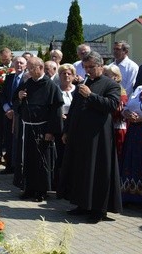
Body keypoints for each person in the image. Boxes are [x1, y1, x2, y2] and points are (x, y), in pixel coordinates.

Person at [60, 51, 122, 223]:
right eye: (85, 67)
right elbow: (74, 108)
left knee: (98, 171)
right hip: (80, 135)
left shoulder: (111, 84)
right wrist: (67, 130)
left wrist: (91, 96)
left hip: (99, 136)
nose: (88, 71)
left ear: (101, 66)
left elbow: (111, 105)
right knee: (82, 169)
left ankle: (98, 210)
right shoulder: (85, 82)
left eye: (91, 67)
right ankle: (82, 204)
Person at [14, 57, 63, 202]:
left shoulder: (51, 86)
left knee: (41, 161)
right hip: (27, 128)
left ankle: (41, 191)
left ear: (40, 68)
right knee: (27, 159)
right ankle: (28, 188)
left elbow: (56, 111)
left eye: (30, 68)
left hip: (43, 128)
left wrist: (51, 131)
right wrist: (19, 97)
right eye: (28, 68)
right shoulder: (27, 83)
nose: (28, 71)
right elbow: (16, 103)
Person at [121, 67, 142, 206]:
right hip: (135, 132)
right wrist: (128, 114)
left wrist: (141, 119)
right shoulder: (139, 89)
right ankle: (131, 195)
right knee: (133, 160)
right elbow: (127, 107)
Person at [1, 56, 27, 177]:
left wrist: (15, 110)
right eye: (17, 63)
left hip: (20, 114)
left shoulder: (27, 79)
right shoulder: (9, 77)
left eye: (21, 63)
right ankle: (9, 165)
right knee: (7, 139)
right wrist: (7, 109)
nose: (19, 65)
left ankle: (18, 167)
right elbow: (4, 95)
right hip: (8, 113)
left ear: (25, 66)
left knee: (18, 140)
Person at [54, 63, 76, 192]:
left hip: (74, 125)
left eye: (69, 73)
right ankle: (60, 184)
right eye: (63, 73)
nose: (66, 76)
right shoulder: (56, 89)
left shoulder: (78, 90)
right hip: (60, 124)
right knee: (61, 155)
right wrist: (59, 114)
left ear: (73, 76)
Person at [103, 65, 128, 162]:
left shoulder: (120, 91)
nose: (104, 77)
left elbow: (118, 110)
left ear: (116, 77)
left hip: (117, 128)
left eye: (107, 75)